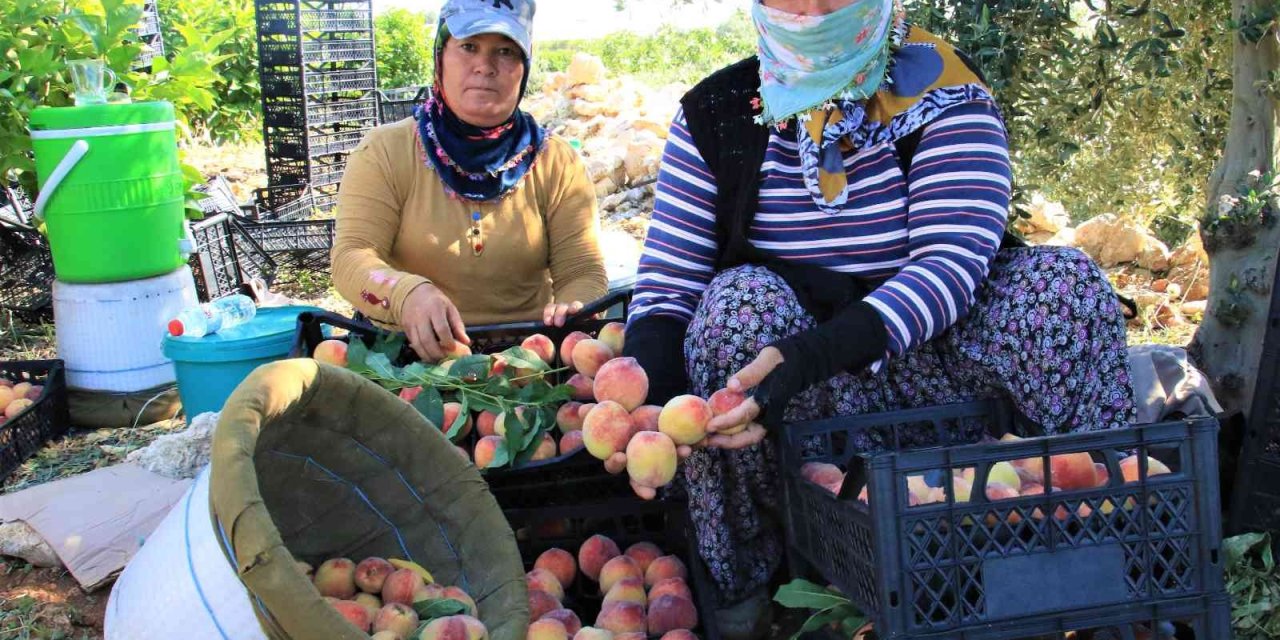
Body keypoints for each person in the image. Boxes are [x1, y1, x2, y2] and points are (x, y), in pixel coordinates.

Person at [617, 0, 1136, 636]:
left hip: (941, 374)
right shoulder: (716, 113)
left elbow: (950, 262)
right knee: (735, 306)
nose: (809, 8)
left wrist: (810, 354)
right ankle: (760, 595)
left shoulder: (943, 88)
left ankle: (1099, 559)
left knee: (1064, 286)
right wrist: (654, 413)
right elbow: (667, 293)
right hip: (794, 408)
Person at [332, 0, 608, 362]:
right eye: (468, 46)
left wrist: (574, 311)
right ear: (440, 56)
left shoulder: (556, 161)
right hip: (408, 361)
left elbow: (583, 270)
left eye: (505, 51)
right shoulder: (385, 151)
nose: (485, 66)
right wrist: (407, 295)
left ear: (524, 68)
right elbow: (351, 256)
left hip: (526, 366)